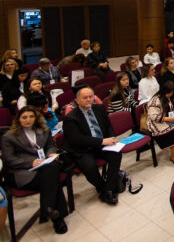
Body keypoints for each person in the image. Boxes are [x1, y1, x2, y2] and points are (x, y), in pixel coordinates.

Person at [1, 106, 68, 234]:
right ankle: (57, 217)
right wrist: (30, 163)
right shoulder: (9, 137)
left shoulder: (43, 130)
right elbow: (9, 160)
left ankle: (49, 210)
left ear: (36, 118)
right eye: (24, 117)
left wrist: (50, 154)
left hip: (44, 166)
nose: (28, 120)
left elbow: (50, 146)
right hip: (24, 172)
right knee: (53, 180)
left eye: (31, 117)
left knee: (52, 169)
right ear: (18, 119)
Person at [62, 86, 122, 205]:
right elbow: (78, 140)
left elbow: (108, 126)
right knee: (89, 166)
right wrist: (102, 141)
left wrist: (112, 138)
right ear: (77, 100)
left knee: (116, 154)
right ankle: (102, 188)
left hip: (101, 144)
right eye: (85, 98)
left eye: (91, 97)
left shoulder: (99, 108)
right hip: (83, 149)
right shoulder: (70, 118)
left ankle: (109, 189)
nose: (88, 100)